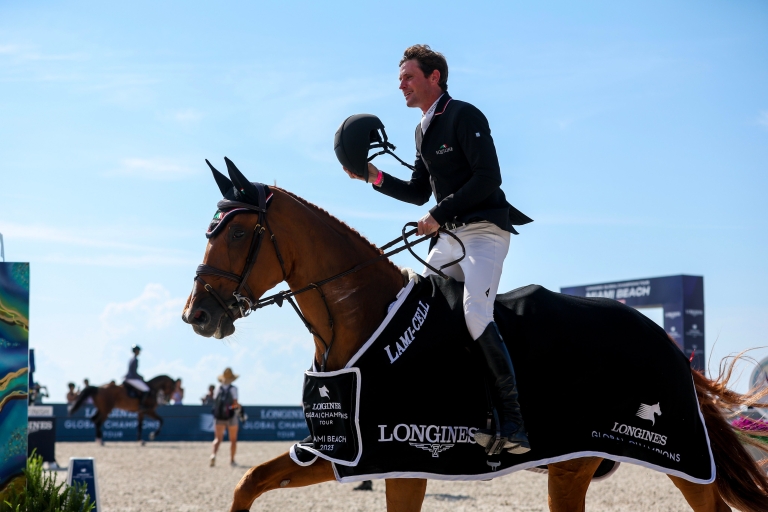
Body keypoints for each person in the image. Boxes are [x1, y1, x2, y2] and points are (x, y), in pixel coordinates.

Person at [342, 45, 533, 455]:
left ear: (434, 78)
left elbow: (488, 178)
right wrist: (373, 176)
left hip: (484, 232)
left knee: (473, 312)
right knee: (412, 310)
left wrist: (439, 212)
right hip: (448, 238)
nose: (402, 86)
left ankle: (514, 423)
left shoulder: (464, 115)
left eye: (409, 77)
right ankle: (457, 408)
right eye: (400, 80)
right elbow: (416, 192)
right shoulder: (421, 130)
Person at [210, 368, 240, 467]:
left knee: (217, 439)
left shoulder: (218, 388)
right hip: (231, 416)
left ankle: (213, 454)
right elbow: (235, 404)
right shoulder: (233, 389)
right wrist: (237, 408)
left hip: (219, 416)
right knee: (233, 440)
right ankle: (232, 460)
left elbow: (215, 402)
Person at [123, 344, 150, 409]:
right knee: (146, 389)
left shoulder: (131, 359)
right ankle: (141, 405)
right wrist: (140, 377)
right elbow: (134, 372)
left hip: (128, 378)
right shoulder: (135, 360)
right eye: (138, 351)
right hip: (132, 378)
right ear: (136, 351)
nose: (139, 352)